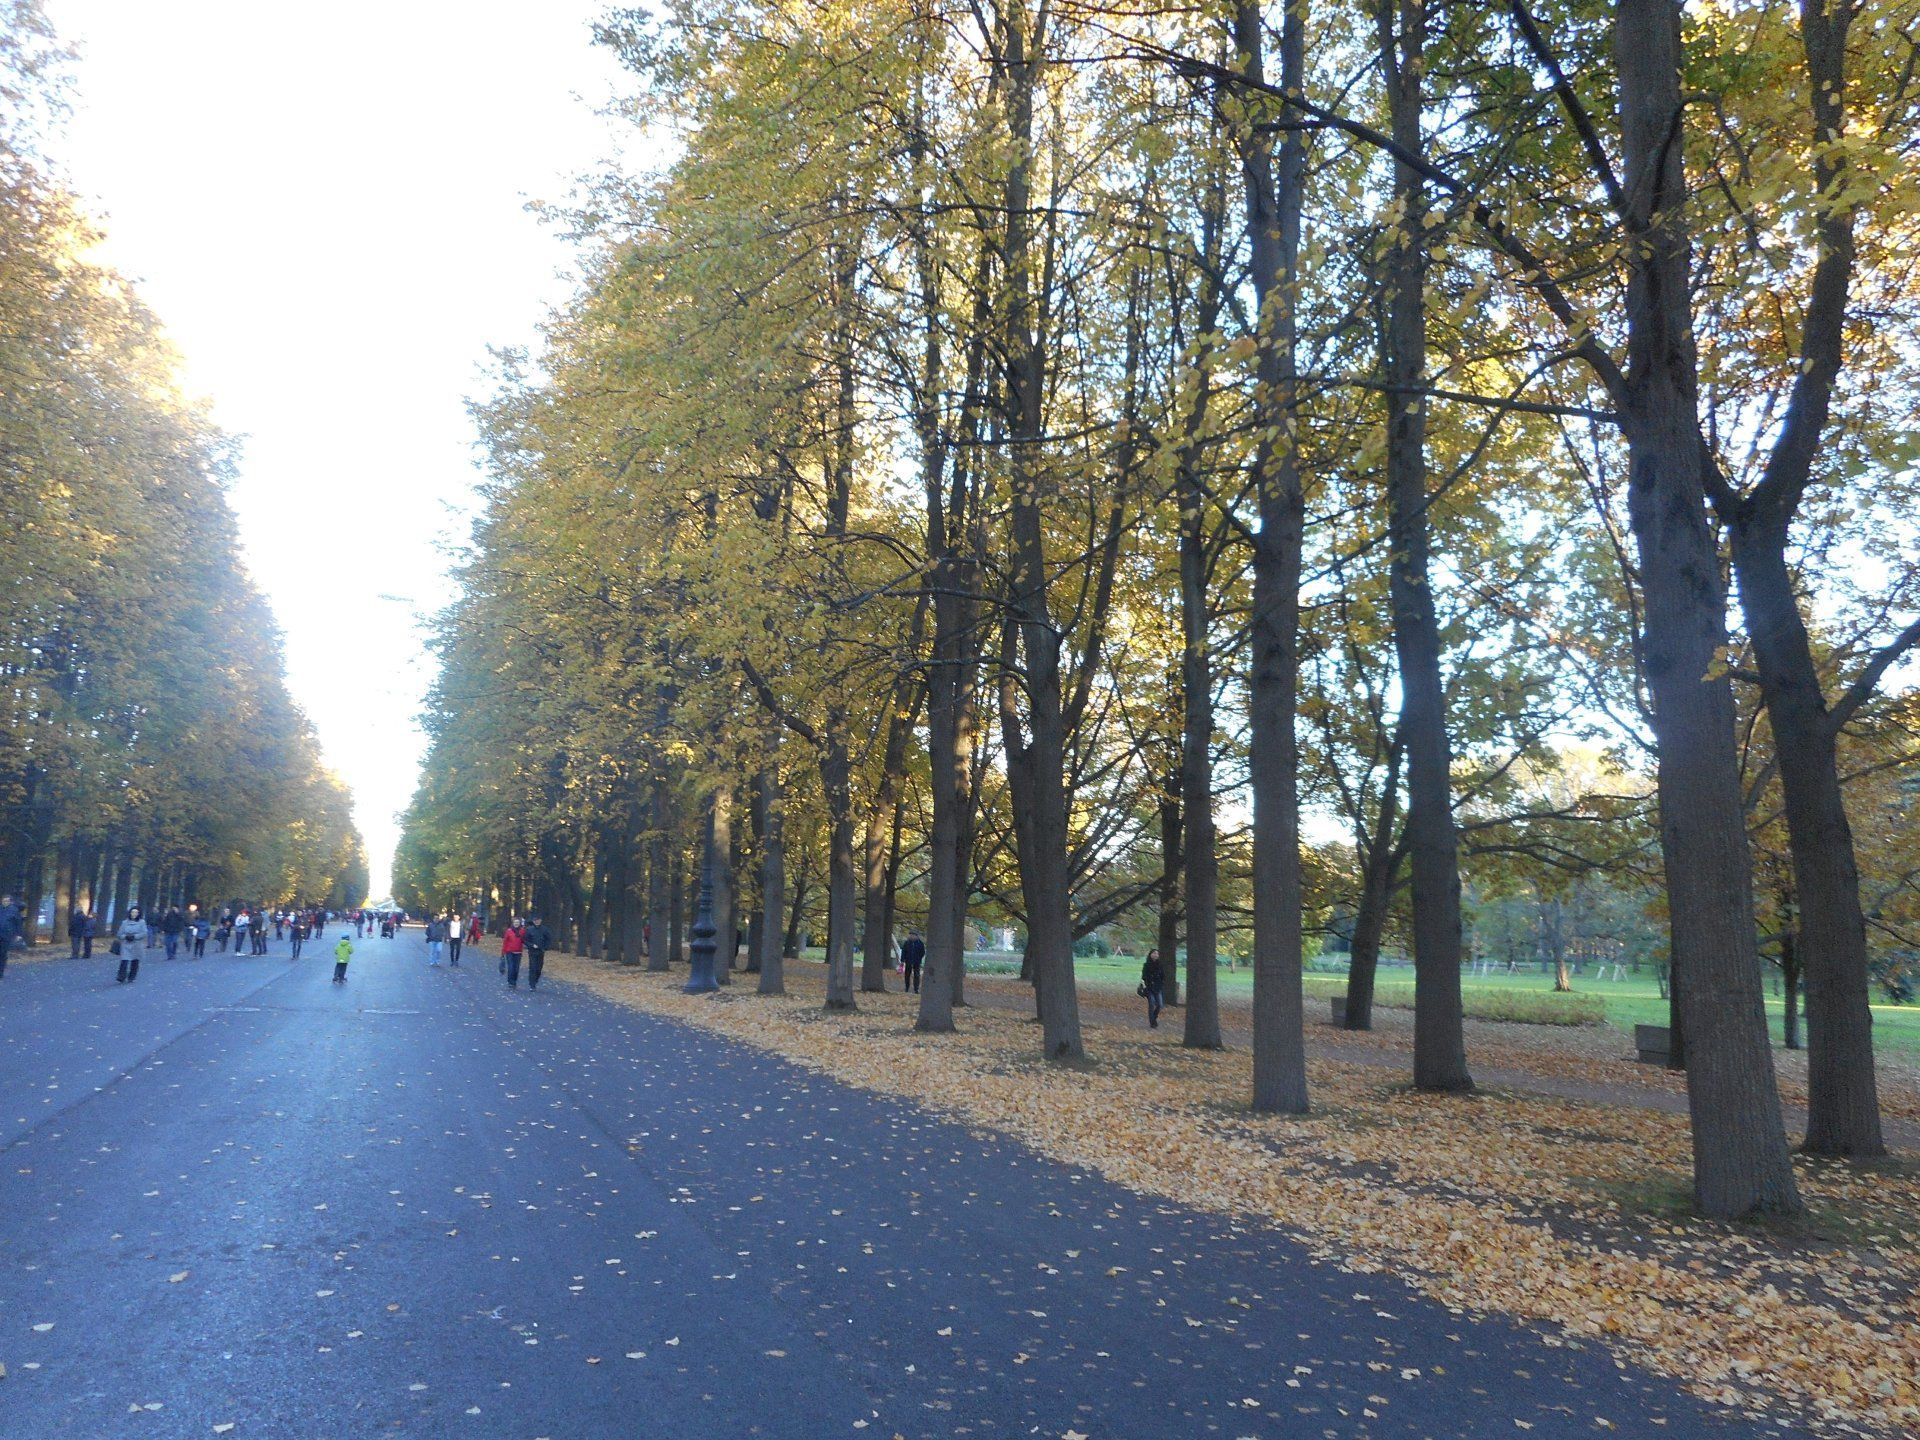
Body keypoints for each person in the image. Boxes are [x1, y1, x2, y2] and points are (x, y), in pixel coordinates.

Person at [116, 906, 147, 984]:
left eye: (136, 912)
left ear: (139, 914)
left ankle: (132, 976)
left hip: (136, 944)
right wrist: (125, 937)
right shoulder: (124, 922)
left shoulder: (142, 922)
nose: (134, 914)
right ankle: (121, 976)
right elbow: (119, 934)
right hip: (126, 944)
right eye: (132, 912)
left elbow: (144, 933)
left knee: (135, 961)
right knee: (124, 960)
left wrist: (135, 937)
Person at [522, 915, 551, 991]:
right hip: (532, 951)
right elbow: (525, 940)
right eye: (535, 920)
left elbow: (548, 939)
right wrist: (531, 945)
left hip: (541, 951)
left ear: (540, 920)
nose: (537, 922)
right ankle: (532, 985)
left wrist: (545, 947)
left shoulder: (545, 929)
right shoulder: (529, 929)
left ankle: (535, 980)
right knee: (532, 968)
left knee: (539, 968)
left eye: (538, 920)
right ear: (533, 921)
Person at [1140, 948, 1165, 1030]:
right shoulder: (1146, 965)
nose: (1155, 955)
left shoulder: (1160, 965)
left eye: (1157, 954)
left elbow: (1163, 976)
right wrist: (1148, 982)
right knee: (1151, 1004)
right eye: (1154, 953)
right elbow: (1144, 976)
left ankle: (1154, 1017)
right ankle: (1152, 1022)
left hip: (1158, 988)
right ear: (1150, 955)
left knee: (1159, 1005)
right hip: (1149, 987)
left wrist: (1160, 983)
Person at [500, 917, 525, 988]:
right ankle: (510, 982)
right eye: (515, 922)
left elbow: (524, 940)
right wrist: (503, 952)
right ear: (513, 923)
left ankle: (514, 981)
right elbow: (505, 942)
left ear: (520, 923)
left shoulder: (522, 931)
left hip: (518, 952)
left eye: (518, 923)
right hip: (509, 952)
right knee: (511, 967)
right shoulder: (509, 931)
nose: (516, 924)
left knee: (516, 968)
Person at [0, 893, 20, 978]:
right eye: (3, 901)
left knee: (3, 954)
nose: (5, 902)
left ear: (10, 902)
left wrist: (18, 935)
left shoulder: (14, 910)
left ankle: (1, 971)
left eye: (7, 901)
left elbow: (18, 923)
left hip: (7, 935)